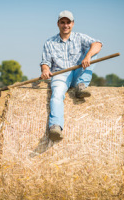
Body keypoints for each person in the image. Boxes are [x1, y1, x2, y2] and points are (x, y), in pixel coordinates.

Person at [40, 10, 102, 141]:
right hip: (60, 75)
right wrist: (45, 70)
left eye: (68, 22)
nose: (65, 25)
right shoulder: (49, 43)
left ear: (73, 24)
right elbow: (45, 63)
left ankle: (82, 86)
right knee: (56, 94)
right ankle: (55, 126)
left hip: (79, 72)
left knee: (93, 52)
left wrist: (88, 56)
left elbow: (98, 44)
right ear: (58, 24)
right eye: (62, 22)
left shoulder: (80, 37)